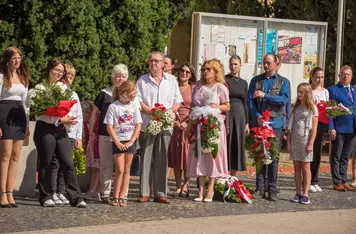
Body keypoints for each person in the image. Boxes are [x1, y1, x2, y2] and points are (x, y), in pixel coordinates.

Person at [32, 58, 86, 207]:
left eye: (61, 71)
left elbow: (71, 107)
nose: (59, 73)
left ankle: (76, 197)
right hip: (45, 127)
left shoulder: (64, 89)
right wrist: (61, 118)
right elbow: (38, 111)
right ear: (50, 69)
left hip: (61, 130)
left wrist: (65, 119)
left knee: (67, 162)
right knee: (46, 162)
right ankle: (46, 196)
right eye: (57, 70)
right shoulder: (40, 88)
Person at [136, 51, 182, 204]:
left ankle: (160, 192)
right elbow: (138, 100)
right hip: (148, 124)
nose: (153, 63)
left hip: (166, 124)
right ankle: (144, 192)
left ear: (164, 63)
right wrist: (149, 110)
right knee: (146, 158)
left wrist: (170, 112)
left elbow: (177, 101)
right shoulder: (142, 80)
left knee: (162, 158)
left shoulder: (172, 81)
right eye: (151, 61)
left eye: (157, 61)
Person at [186, 59, 230, 203]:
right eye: (204, 69)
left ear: (215, 71)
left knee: (211, 154)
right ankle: (200, 188)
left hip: (213, 124)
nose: (205, 72)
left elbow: (227, 106)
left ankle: (210, 187)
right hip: (198, 123)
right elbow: (193, 106)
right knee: (198, 154)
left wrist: (216, 107)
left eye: (209, 69)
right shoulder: (198, 86)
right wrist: (189, 126)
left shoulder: (220, 87)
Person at [248, 53, 290, 201]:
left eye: (269, 63)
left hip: (275, 124)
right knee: (260, 155)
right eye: (264, 63)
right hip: (260, 124)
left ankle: (272, 188)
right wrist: (257, 116)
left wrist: (265, 95)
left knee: (273, 156)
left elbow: (284, 100)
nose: (266, 66)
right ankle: (259, 187)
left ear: (276, 63)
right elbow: (250, 102)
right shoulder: (256, 80)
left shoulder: (284, 82)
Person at [89, 64, 128, 202]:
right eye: (118, 76)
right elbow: (94, 113)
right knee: (105, 164)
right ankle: (105, 193)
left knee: (122, 167)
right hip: (105, 134)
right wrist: (91, 131)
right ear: (113, 77)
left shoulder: (129, 95)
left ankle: (122, 193)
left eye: (123, 76)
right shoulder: (104, 94)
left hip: (123, 136)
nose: (120, 79)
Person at [0, 46, 30, 208]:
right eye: (14, 58)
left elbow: (26, 103)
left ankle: (10, 193)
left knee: (15, 156)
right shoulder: (1, 77)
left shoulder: (23, 76)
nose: (17, 61)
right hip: (4, 114)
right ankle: (2, 193)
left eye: (19, 58)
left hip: (19, 116)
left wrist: (26, 123)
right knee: (5, 155)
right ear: (7, 60)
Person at [49, 64, 83, 205]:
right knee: (55, 163)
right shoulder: (56, 91)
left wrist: (78, 137)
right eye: (66, 76)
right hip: (58, 130)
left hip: (70, 134)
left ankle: (61, 191)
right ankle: (52, 192)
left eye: (71, 77)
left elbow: (79, 116)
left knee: (67, 163)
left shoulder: (74, 94)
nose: (68, 79)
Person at [104, 81, 142, 206]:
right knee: (119, 169)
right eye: (133, 92)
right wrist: (117, 142)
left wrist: (132, 140)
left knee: (127, 169)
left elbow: (138, 124)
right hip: (118, 140)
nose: (135, 94)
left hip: (130, 141)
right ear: (126, 93)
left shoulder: (133, 106)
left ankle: (122, 196)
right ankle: (115, 196)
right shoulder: (114, 107)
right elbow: (109, 126)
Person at [168, 62, 196, 197]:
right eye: (182, 71)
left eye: (187, 72)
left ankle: (186, 184)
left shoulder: (193, 88)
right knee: (176, 154)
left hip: (188, 124)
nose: (184, 74)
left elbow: (195, 107)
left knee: (187, 155)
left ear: (191, 75)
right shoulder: (173, 87)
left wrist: (188, 123)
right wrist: (173, 121)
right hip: (174, 123)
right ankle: (178, 184)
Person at [287, 83, 318, 205]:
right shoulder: (295, 107)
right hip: (295, 139)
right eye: (298, 92)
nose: (299, 94)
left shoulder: (312, 109)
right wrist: (288, 141)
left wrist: (311, 143)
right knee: (296, 168)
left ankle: (305, 193)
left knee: (306, 167)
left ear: (307, 94)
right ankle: (298, 192)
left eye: (301, 92)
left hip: (306, 139)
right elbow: (290, 125)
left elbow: (314, 129)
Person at [328, 65, 356, 192]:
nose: (346, 76)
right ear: (339, 75)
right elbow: (330, 110)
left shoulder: (354, 90)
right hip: (339, 128)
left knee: (346, 156)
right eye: (343, 74)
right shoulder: (333, 90)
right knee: (336, 156)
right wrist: (331, 127)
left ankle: (344, 180)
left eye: (348, 74)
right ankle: (337, 181)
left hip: (353, 128)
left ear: (351, 76)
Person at [225, 55, 249, 175]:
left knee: (237, 143)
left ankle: (233, 177)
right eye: (231, 64)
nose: (233, 67)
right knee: (226, 142)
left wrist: (247, 123)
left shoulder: (244, 83)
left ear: (240, 66)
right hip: (228, 113)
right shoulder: (224, 80)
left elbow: (246, 103)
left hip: (240, 116)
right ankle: (223, 174)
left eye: (235, 64)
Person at [309, 67, 329, 193]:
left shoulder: (325, 92)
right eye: (317, 77)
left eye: (321, 77)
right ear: (312, 77)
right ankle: (307, 179)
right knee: (309, 152)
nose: (319, 79)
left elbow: (327, 107)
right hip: (309, 124)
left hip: (321, 124)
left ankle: (315, 180)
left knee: (317, 152)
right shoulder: (308, 90)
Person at [82, 100, 101, 201]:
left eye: (84, 113)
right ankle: (93, 191)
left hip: (97, 147)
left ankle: (95, 191)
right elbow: (86, 135)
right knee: (94, 170)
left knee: (98, 170)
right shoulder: (86, 122)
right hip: (91, 148)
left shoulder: (96, 121)